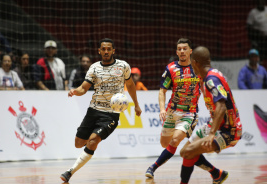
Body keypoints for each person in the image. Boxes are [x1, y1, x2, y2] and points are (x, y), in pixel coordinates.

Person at [60, 38, 142, 182]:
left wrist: (136, 104)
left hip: (111, 114)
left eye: (108, 49)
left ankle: (70, 172)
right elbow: (84, 88)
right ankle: (90, 145)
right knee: (78, 143)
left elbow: (130, 85)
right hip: (94, 110)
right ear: (99, 51)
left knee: (92, 141)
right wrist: (75, 91)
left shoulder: (123, 66)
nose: (106, 51)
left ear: (113, 51)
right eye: (103, 49)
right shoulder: (94, 68)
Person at [179, 46, 242, 184]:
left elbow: (221, 106)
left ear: (195, 62)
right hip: (215, 124)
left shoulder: (211, 79)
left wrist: (212, 133)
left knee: (189, 152)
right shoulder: (208, 76)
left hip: (228, 130)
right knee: (184, 152)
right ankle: (216, 174)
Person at [145, 38, 201, 178]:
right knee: (165, 143)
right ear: (177, 52)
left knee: (175, 141)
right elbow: (162, 91)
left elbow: (204, 87)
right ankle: (214, 172)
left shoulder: (198, 68)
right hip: (172, 111)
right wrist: (162, 109)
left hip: (189, 113)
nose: (182, 51)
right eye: (180, 49)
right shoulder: (171, 68)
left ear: (190, 51)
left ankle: (152, 168)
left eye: (185, 48)